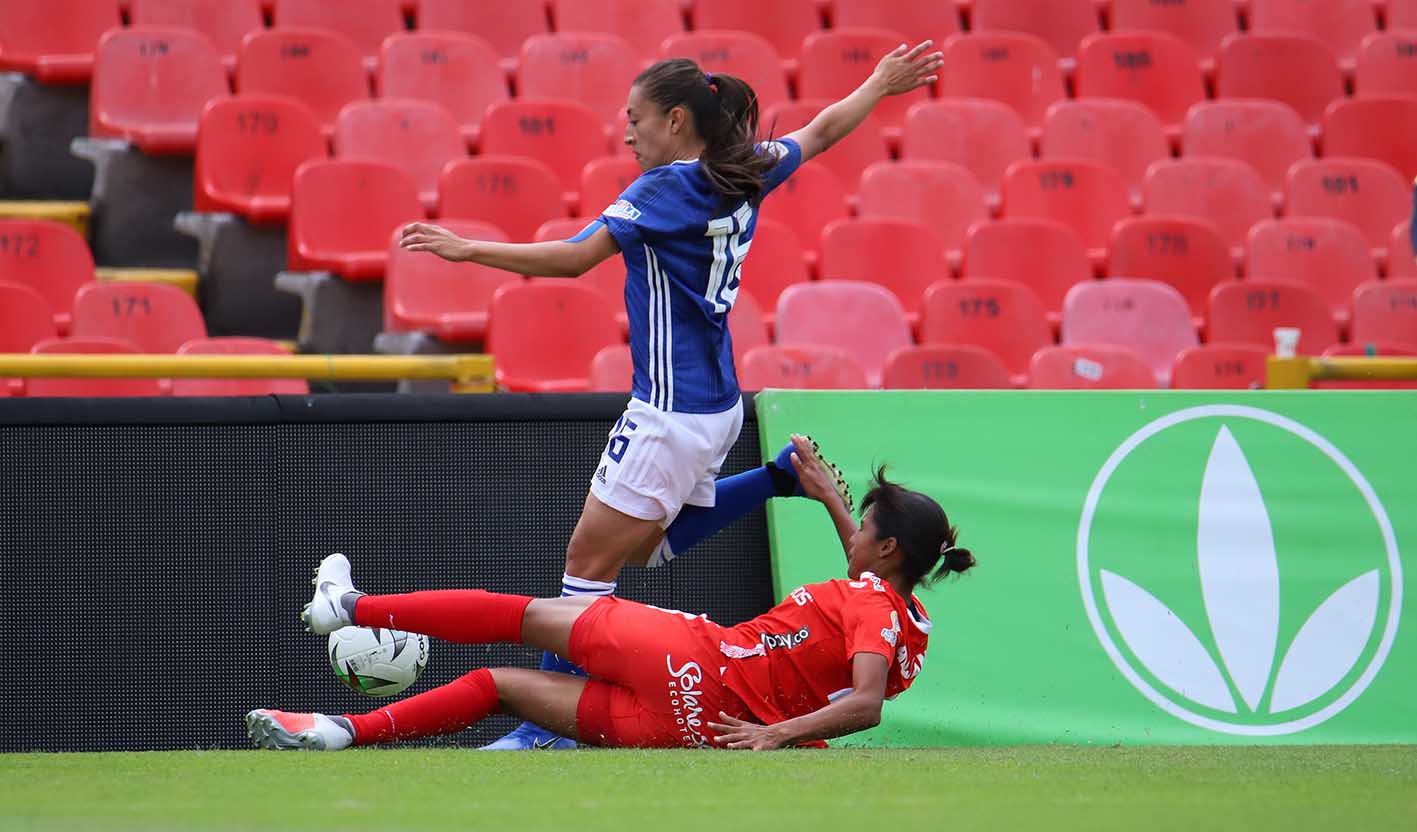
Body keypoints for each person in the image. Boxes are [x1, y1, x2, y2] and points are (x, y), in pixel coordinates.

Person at [395, 43, 943, 749]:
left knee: (585, 571)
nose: (627, 134)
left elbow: (574, 257)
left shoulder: (666, 188)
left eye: (636, 119)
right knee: (646, 546)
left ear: (677, 118)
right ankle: (774, 477)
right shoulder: (742, 170)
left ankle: (542, 730)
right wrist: (878, 82)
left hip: (669, 409)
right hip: (715, 403)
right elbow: (823, 131)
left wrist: (468, 250)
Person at [246, 435, 976, 751]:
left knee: (520, 618)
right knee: (497, 685)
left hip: (689, 658)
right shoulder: (902, 614)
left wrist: (777, 734)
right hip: (688, 729)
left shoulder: (873, 608)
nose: (858, 536)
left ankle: (347, 607)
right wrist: (826, 500)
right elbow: (864, 595)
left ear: (885, 549)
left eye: (866, 527)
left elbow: (865, 701)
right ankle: (340, 733)